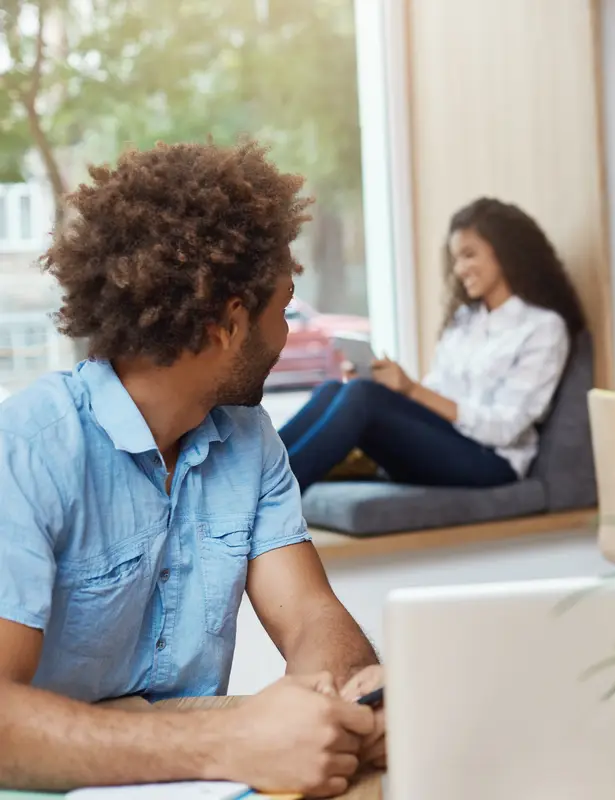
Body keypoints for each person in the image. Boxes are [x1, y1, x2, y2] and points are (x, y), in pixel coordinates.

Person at [0, 140, 386, 797]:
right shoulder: (28, 451)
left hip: (183, 763)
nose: (286, 333)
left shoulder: (249, 441)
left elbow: (314, 617)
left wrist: (341, 706)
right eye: (282, 309)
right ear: (229, 323)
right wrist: (228, 742)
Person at [281, 196, 587, 494]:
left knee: (362, 396)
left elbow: (506, 428)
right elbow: (435, 395)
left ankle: (272, 502)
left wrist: (412, 390)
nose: (459, 269)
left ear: (505, 252)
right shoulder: (465, 320)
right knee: (334, 390)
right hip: (443, 443)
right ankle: (251, 480)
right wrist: (395, 388)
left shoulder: (542, 328)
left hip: (492, 462)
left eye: (469, 254)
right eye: (456, 258)